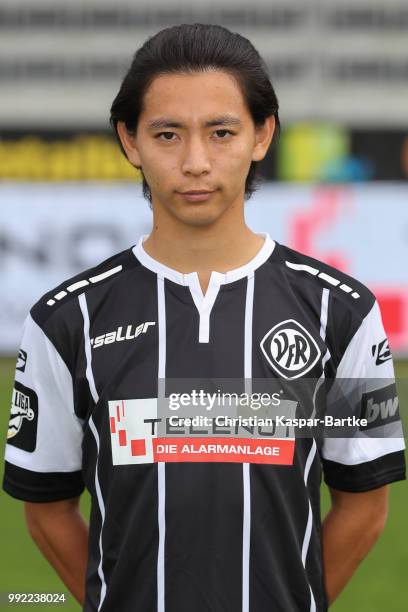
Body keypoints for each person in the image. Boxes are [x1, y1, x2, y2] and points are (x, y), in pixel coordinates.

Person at [2, 23, 406, 612]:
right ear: (130, 140)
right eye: (168, 134)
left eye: (221, 133)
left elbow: (366, 506)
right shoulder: (66, 320)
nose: (195, 162)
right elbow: (45, 506)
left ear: (262, 135)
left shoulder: (342, 311)